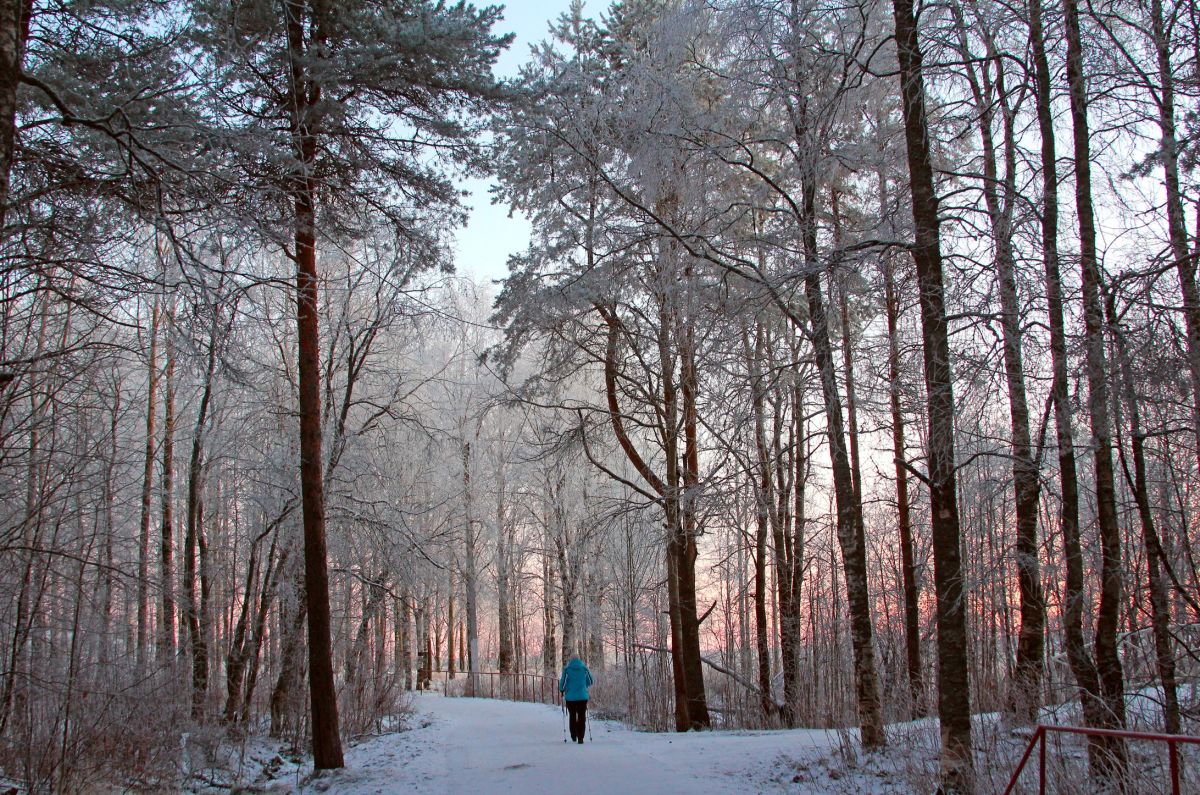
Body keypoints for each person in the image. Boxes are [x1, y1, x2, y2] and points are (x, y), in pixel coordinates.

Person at [558, 655, 594, 744]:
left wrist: (562, 690)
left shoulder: (567, 670)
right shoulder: (584, 669)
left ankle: (573, 736)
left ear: (570, 660)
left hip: (570, 698)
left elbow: (562, 682)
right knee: (582, 716)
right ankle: (581, 737)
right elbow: (590, 681)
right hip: (582, 697)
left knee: (572, 715)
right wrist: (584, 686)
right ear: (579, 660)